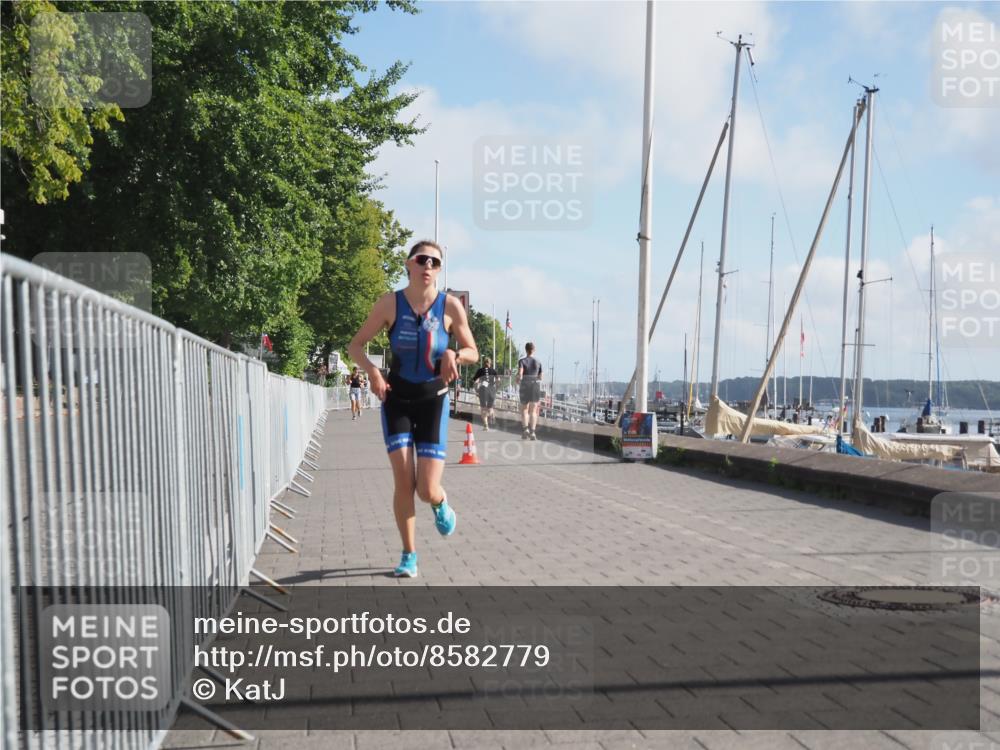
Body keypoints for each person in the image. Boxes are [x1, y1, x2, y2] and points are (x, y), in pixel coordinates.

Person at [348, 240, 478, 578]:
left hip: (433, 401)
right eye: (422, 260)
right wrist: (374, 373)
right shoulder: (390, 304)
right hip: (397, 401)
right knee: (404, 482)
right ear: (409, 264)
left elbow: (473, 351)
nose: (429, 266)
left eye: (435, 262)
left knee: (425, 490)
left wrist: (454, 355)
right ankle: (409, 555)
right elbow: (355, 345)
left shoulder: (450, 307)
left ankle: (440, 503)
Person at [517, 342, 543, 440]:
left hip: (525, 385)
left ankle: (525, 429)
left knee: (524, 409)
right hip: (535, 385)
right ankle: (532, 432)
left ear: (526, 350)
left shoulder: (522, 361)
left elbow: (520, 374)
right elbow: (541, 377)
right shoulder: (538, 362)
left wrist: (518, 379)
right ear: (534, 350)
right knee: (533, 410)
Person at [471, 357, 499, 430]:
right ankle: (492, 414)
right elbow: (498, 380)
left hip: (483, 390)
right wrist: (496, 388)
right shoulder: (493, 371)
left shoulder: (480, 370)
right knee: (490, 408)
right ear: (490, 363)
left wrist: (476, 390)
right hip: (492, 389)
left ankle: (486, 425)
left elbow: (475, 381)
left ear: (484, 363)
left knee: (483, 408)